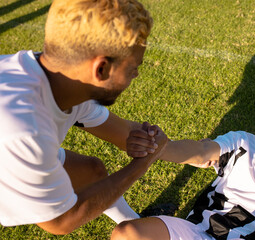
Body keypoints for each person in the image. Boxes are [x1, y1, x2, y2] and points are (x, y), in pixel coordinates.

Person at [0, 0, 167, 235]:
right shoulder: (25, 130)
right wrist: (142, 165)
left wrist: (146, 140)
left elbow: (122, 133)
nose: (136, 74)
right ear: (101, 69)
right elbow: (60, 221)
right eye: (132, 68)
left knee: (92, 172)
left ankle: (137, 223)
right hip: (9, 150)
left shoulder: (63, 79)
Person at [113, 107, 255, 240]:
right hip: (198, 231)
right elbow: (201, 152)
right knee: (126, 233)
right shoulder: (245, 143)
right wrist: (159, 147)